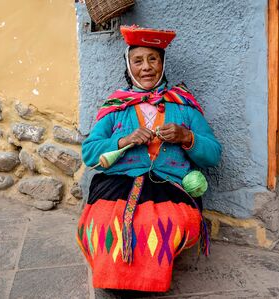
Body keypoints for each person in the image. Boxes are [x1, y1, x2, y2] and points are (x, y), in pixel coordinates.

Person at [76, 25, 222, 292]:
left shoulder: (184, 106)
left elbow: (213, 154)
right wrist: (124, 141)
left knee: (161, 224)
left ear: (162, 64)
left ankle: (146, 282)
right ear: (129, 66)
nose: (146, 67)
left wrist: (186, 136)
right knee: (103, 221)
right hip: (118, 181)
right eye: (138, 60)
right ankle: (114, 282)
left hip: (170, 185)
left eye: (153, 59)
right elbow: (89, 153)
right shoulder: (116, 107)